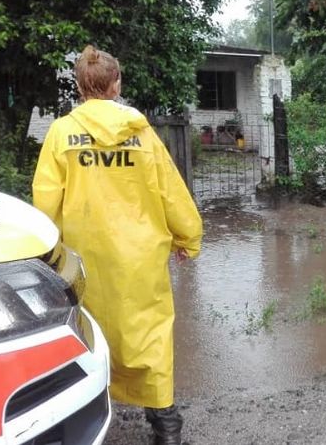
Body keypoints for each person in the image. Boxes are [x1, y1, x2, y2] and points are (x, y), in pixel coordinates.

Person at [32, 45, 203, 445]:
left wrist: (45, 254)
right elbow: (169, 190)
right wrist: (187, 236)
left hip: (82, 258)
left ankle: (84, 414)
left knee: (86, 331)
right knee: (151, 334)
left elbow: (46, 199)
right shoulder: (141, 133)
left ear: (80, 87)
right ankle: (166, 425)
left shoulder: (61, 133)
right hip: (141, 256)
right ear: (116, 84)